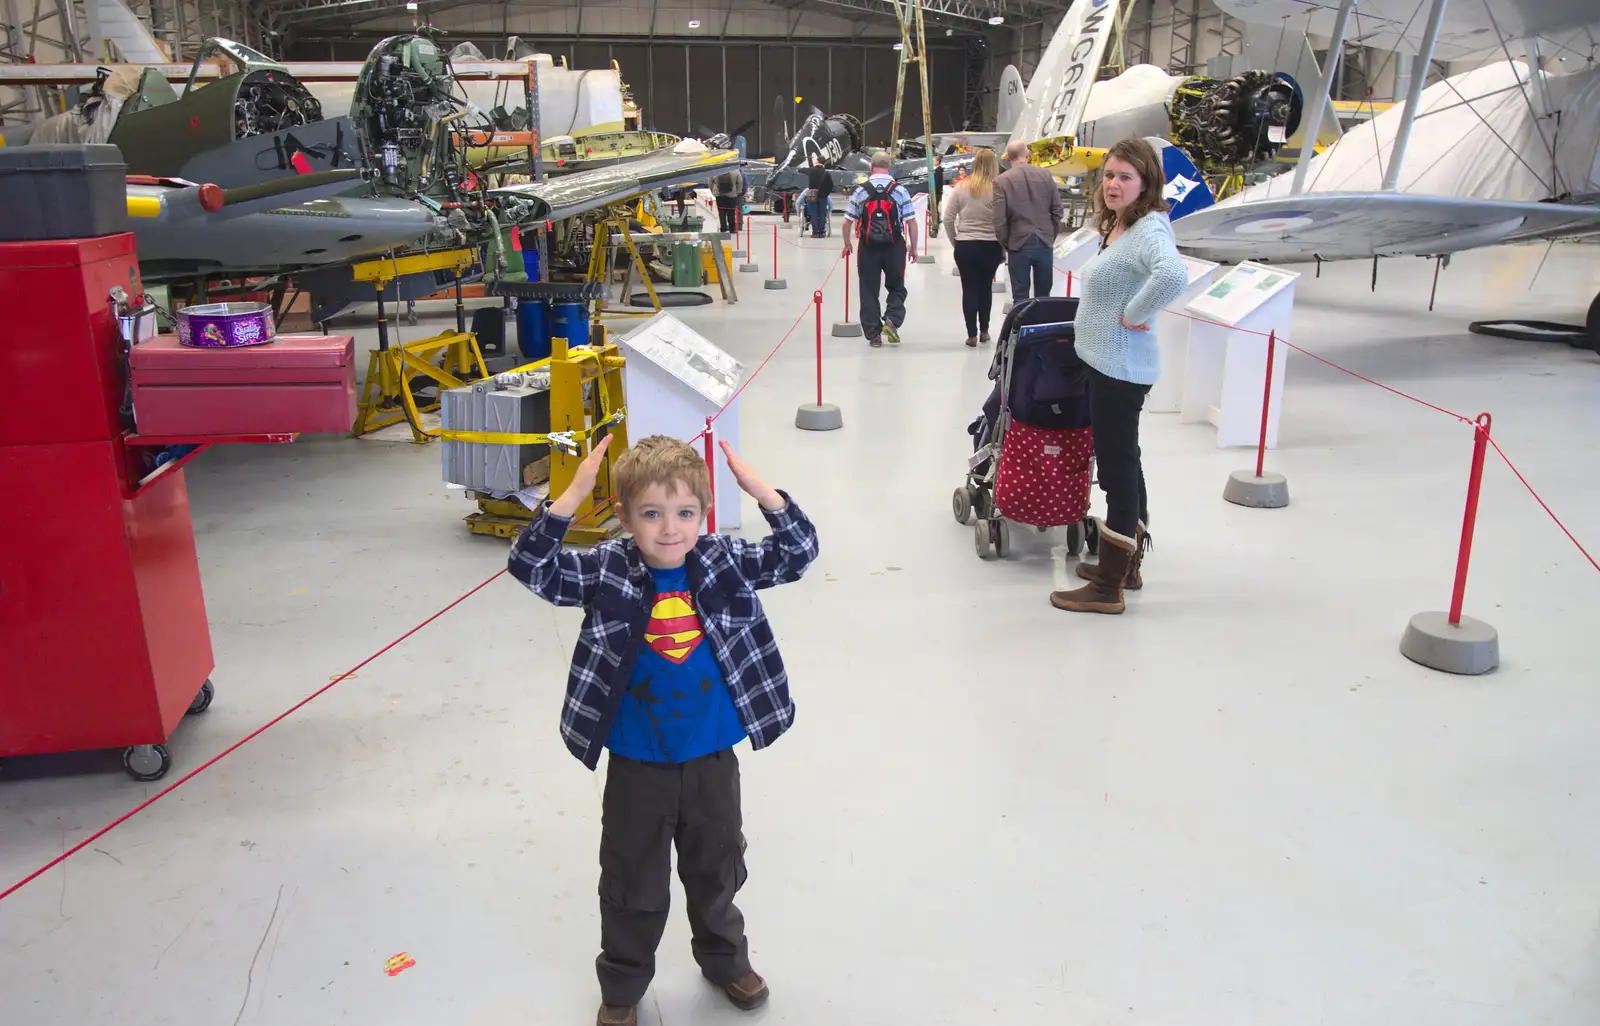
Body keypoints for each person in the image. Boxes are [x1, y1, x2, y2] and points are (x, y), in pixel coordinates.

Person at [507, 433, 820, 1026]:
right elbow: (533, 568)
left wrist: (761, 490)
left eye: (684, 513)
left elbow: (798, 553)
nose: (669, 529)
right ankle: (623, 983)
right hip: (637, 763)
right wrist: (569, 498)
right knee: (631, 879)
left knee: (717, 866)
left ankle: (726, 960)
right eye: (651, 514)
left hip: (710, 759)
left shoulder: (721, 561)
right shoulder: (607, 569)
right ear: (625, 517)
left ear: (703, 515)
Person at [1048, 136, 1188, 616]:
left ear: (1146, 182)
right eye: (1109, 175)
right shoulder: (1125, 226)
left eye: (1125, 177)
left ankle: (1109, 586)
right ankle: (1127, 564)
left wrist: (1133, 314)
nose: (1113, 184)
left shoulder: (1150, 230)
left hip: (1119, 369)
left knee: (1117, 470)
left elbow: (1171, 276)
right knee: (1126, 458)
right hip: (1106, 363)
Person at [841, 151, 919, 348]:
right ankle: (892, 320)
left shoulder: (860, 191)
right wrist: (914, 249)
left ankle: (873, 335)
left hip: (868, 247)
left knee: (868, 290)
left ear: (871, 167)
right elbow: (911, 223)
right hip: (894, 246)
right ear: (889, 167)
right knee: (897, 286)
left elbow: (847, 222)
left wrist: (847, 243)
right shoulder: (900, 190)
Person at [939, 147, 1005, 347]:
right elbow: (1004, 221)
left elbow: (948, 218)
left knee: (968, 289)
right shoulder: (999, 188)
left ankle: (971, 335)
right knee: (985, 288)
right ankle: (985, 331)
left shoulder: (961, 187)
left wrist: (955, 241)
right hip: (991, 245)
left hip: (966, 244)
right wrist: (1003, 247)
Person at [992, 139, 1063, 304]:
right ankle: (1041, 328)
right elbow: (1058, 210)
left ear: (1008, 158)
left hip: (1017, 243)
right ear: (1028, 154)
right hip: (1045, 241)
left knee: (1020, 296)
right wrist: (1050, 234)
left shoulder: (1001, 181)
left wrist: (1007, 243)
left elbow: (999, 220)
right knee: (1044, 296)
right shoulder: (1046, 175)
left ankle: (1020, 328)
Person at [712, 167, 745, 235]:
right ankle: (732, 229)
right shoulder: (735, 171)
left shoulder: (715, 171)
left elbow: (710, 182)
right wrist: (736, 192)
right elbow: (740, 183)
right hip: (732, 196)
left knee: (721, 213)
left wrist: (714, 192)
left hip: (719, 195)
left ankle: (723, 228)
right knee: (731, 212)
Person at [804, 163, 832, 237]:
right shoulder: (826, 172)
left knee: (814, 214)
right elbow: (831, 184)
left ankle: (815, 232)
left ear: (817, 161)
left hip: (812, 194)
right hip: (823, 195)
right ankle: (821, 232)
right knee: (822, 214)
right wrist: (826, 193)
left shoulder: (811, 170)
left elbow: (801, 170)